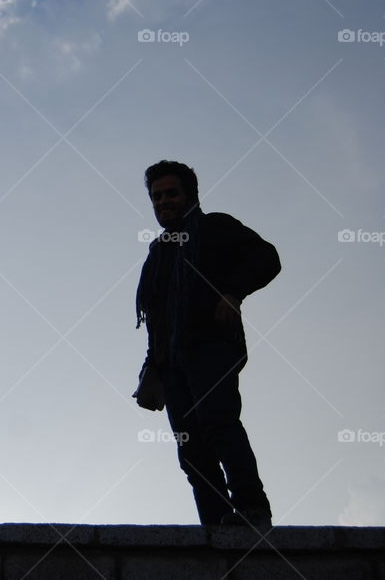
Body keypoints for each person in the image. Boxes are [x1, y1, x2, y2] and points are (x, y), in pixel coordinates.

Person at [133, 160, 280, 528]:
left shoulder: (215, 227)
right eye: (156, 197)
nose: (163, 201)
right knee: (191, 449)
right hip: (171, 362)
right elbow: (157, 317)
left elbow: (267, 257)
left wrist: (233, 292)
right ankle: (215, 524)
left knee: (219, 424)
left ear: (189, 196)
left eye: (170, 193)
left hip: (213, 346)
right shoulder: (157, 253)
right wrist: (151, 369)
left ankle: (251, 510)